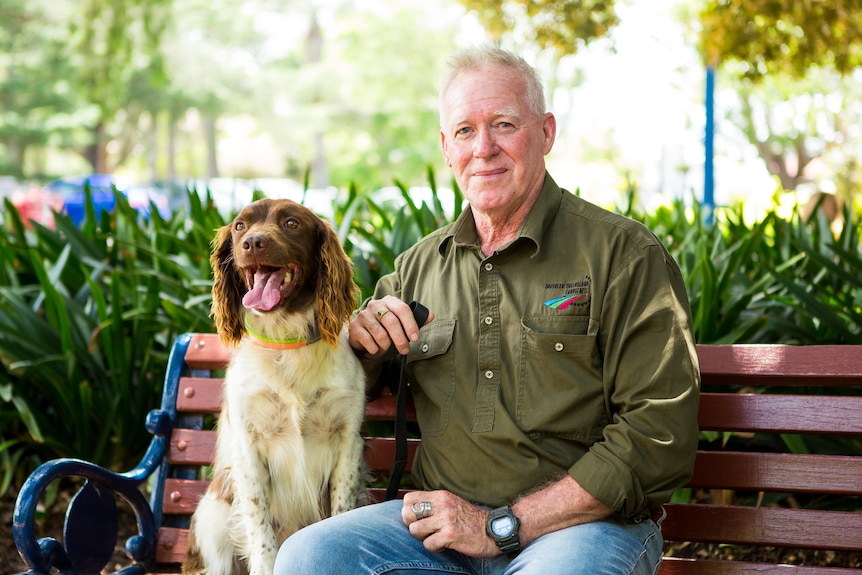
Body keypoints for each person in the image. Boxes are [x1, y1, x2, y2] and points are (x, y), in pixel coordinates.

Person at [274, 44, 700, 575]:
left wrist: (501, 525)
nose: (484, 149)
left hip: (580, 530)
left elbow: (659, 433)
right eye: (465, 131)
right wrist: (357, 345)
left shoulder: (624, 256)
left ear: (545, 132)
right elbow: (338, 393)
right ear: (446, 148)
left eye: (503, 124)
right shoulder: (413, 270)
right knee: (309, 559)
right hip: (437, 530)